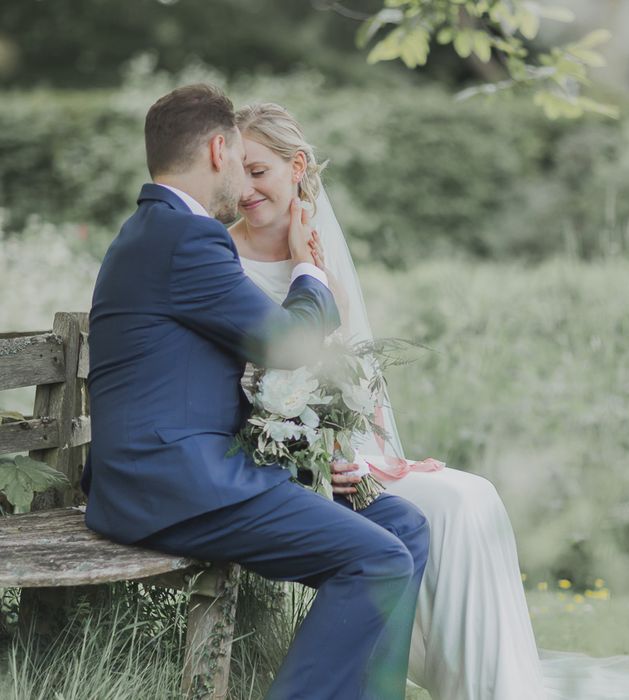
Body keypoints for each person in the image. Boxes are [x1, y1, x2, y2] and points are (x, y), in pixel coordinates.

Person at [82, 84, 429, 700]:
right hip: (176, 485)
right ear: (220, 149)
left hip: (189, 472)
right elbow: (286, 345)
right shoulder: (183, 238)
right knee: (378, 560)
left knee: (404, 527)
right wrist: (307, 269)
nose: (244, 184)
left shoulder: (158, 231)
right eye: (242, 161)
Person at [229, 101, 547, 700]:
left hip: (345, 467)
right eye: (237, 174)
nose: (245, 189)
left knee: (472, 498)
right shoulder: (222, 260)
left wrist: (359, 456)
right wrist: (308, 461)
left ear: (297, 167)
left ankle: (494, 689)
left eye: (259, 171)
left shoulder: (321, 259)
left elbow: (347, 380)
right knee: (439, 509)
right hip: (270, 470)